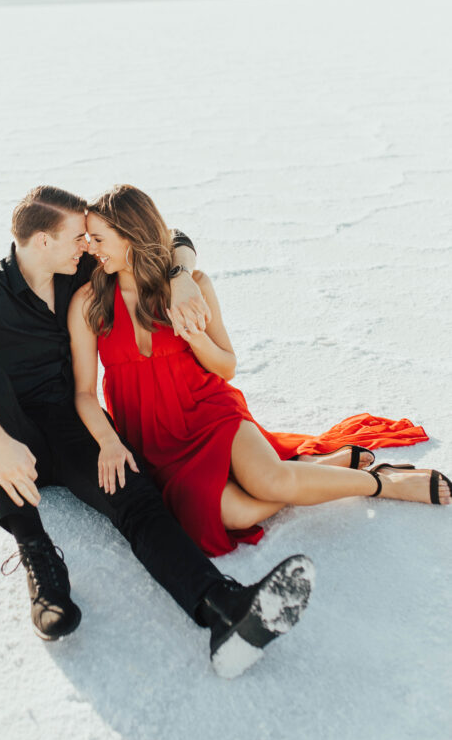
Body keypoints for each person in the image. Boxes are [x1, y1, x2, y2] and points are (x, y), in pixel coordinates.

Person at [0, 185, 316, 679]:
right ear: (43, 242)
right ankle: (39, 561)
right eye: (76, 239)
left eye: (91, 240)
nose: (87, 246)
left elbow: (162, 238)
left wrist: (181, 277)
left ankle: (222, 607)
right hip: (17, 445)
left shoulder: (81, 269)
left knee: (138, 499)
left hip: (76, 427)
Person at [68, 185, 449, 559]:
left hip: (209, 412)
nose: (91, 249)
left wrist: (196, 338)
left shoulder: (191, 286)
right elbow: (85, 392)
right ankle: (305, 467)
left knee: (270, 482)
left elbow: (226, 367)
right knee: (234, 513)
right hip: (152, 440)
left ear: (130, 237)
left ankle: (381, 482)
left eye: (99, 239)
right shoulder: (90, 302)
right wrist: (109, 441)